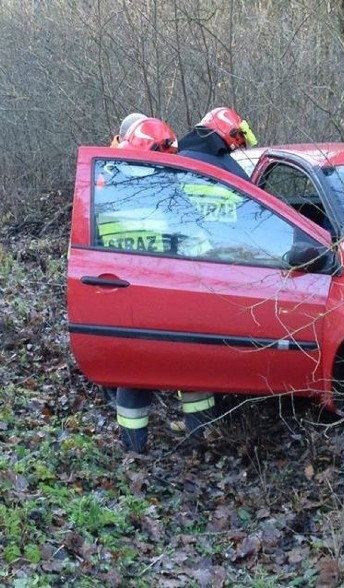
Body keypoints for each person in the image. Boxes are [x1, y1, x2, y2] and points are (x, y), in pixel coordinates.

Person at [108, 117, 216, 453]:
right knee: (192, 367)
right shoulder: (170, 187)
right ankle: (198, 442)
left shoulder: (108, 183)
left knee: (133, 373)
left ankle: (134, 449)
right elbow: (201, 242)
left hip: (126, 295)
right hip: (171, 294)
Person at [176, 107, 257, 180]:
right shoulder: (229, 169)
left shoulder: (173, 157)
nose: (239, 145)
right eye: (241, 138)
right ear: (233, 132)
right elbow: (248, 191)